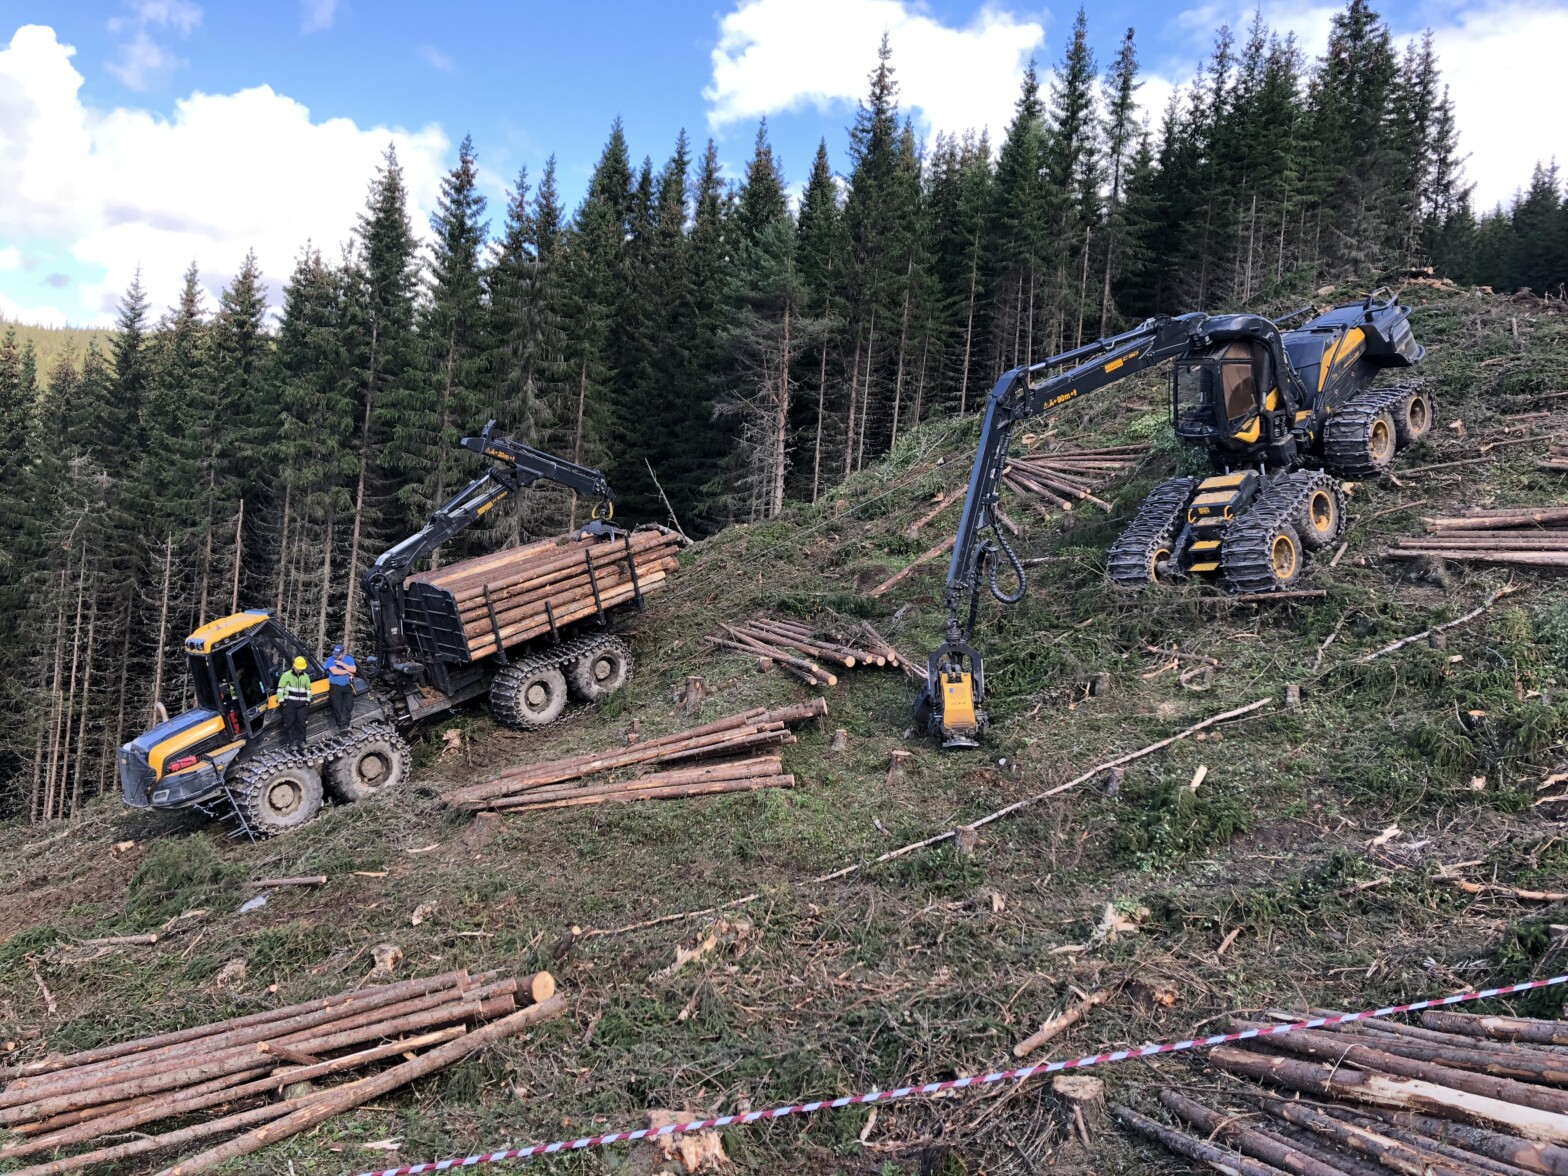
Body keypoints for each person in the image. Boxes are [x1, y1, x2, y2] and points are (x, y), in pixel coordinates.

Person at [276, 656, 313, 748]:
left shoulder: (306, 677)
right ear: (294, 665)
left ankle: (302, 742)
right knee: (289, 724)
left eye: (301, 669)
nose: (300, 670)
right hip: (289, 705)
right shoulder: (286, 676)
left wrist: (308, 701)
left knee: (302, 723)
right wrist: (283, 703)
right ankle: (291, 744)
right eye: (298, 668)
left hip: (302, 705)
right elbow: (280, 689)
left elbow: (308, 690)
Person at [325, 643, 358, 731]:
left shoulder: (348, 659)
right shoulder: (330, 659)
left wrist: (342, 664)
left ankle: (346, 723)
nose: (335, 657)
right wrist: (347, 672)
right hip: (335, 686)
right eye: (334, 655)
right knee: (337, 706)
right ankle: (342, 726)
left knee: (348, 704)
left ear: (342, 653)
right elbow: (335, 671)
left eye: (338, 655)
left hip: (347, 685)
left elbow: (354, 669)